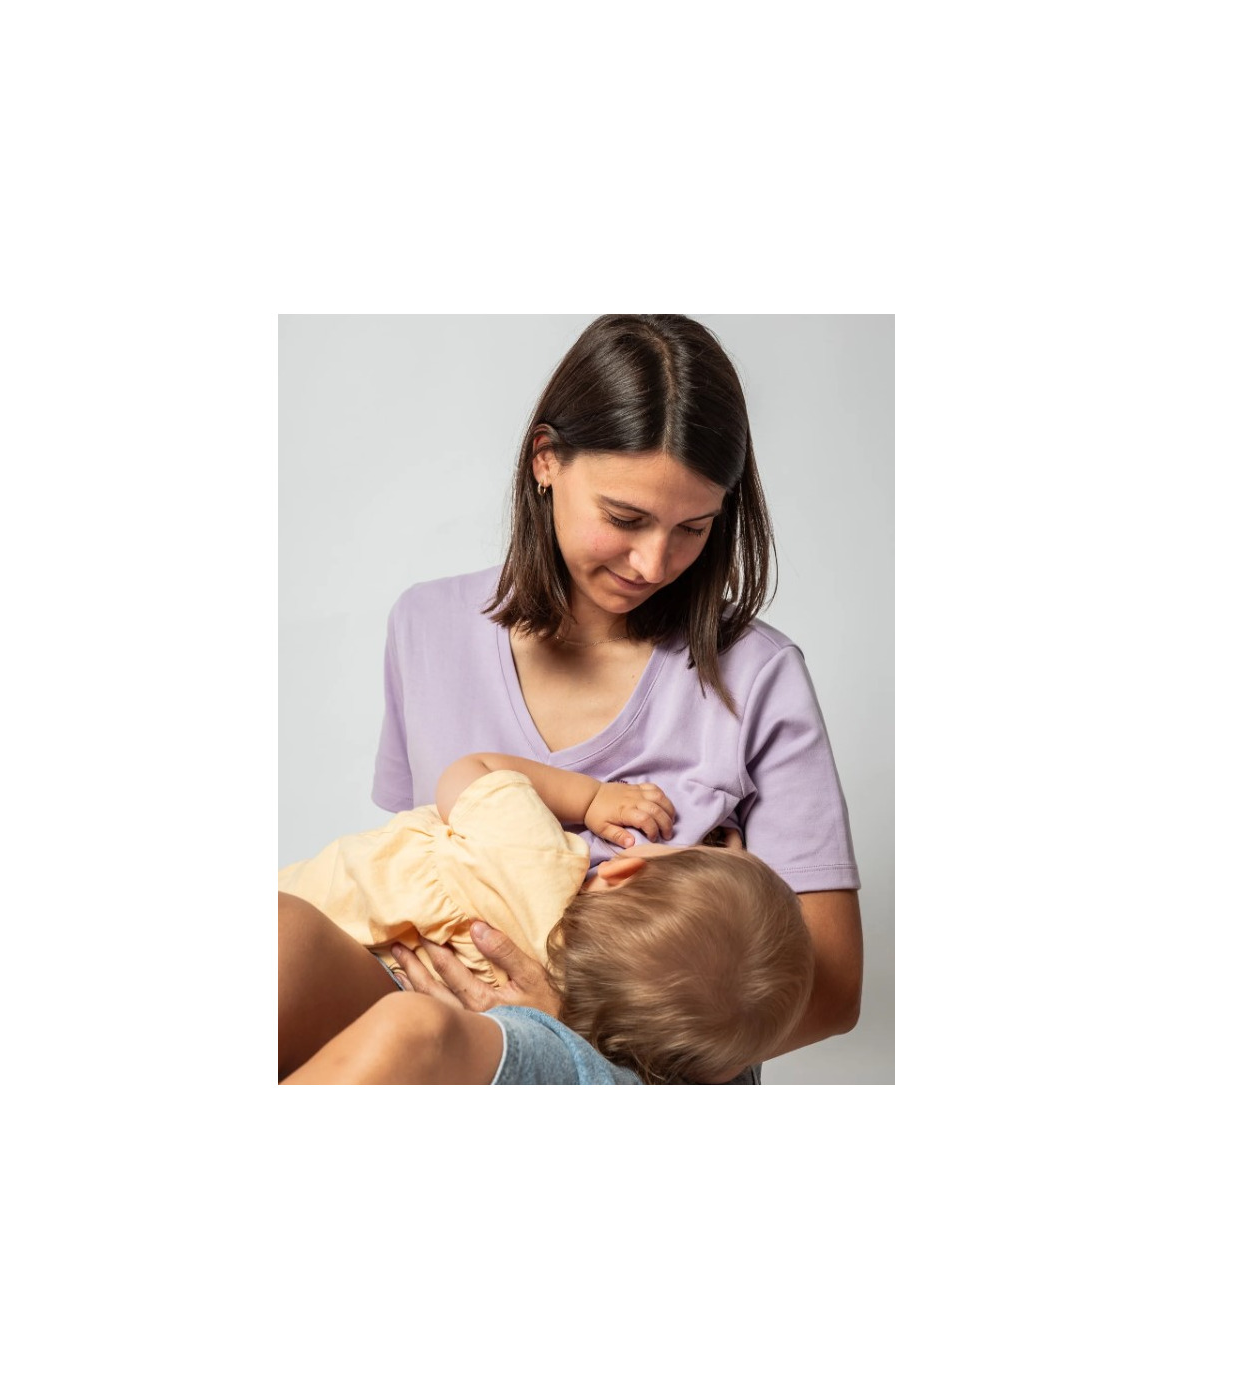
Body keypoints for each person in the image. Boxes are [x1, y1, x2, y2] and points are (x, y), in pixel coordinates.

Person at [288, 313, 863, 1084]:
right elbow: (417, 849)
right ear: (546, 460)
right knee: (280, 941)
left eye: (693, 528)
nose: (654, 562)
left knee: (411, 1034)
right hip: (420, 997)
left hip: (627, 1066)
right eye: (625, 518)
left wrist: (560, 1016)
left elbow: (832, 994)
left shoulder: (756, 675)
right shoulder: (426, 624)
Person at [278, 751, 814, 1084]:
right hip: (367, 978)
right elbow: (716, 1069)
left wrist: (591, 798)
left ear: (623, 871)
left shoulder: (538, 855)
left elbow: (470, 772)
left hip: (321, 908)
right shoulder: (581, 1017)